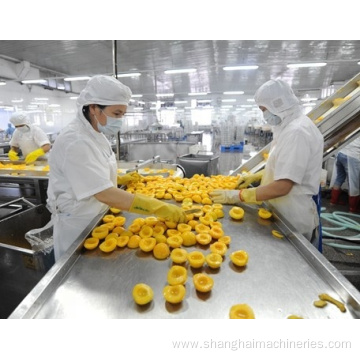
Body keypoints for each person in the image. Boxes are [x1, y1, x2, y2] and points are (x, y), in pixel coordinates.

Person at [47, 75, 186, 261]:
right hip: (78, 224)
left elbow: (93, 171)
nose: (120, 120)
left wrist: (117, 179)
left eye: (122, 114)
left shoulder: (95, 133)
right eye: (116, 114)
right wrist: (158, 207)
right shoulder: (75, 141)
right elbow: (104, 194)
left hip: (97, 216)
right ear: (94, 108)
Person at [210, 79, 324, 246]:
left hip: (292, 219)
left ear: (278, 104)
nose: (264, 115)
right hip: (282, 211)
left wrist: (239, 195)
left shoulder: (296, 132)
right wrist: (257, 176)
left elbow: (283, 186)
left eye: (264, 109)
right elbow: (288, 167)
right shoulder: (289, 127)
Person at [330, 136, 360, 213]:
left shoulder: (354, 126)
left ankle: (333, 202)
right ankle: (352, 209)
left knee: (339, 177)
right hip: (352, 156)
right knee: (353, 182)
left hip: (341, 153)